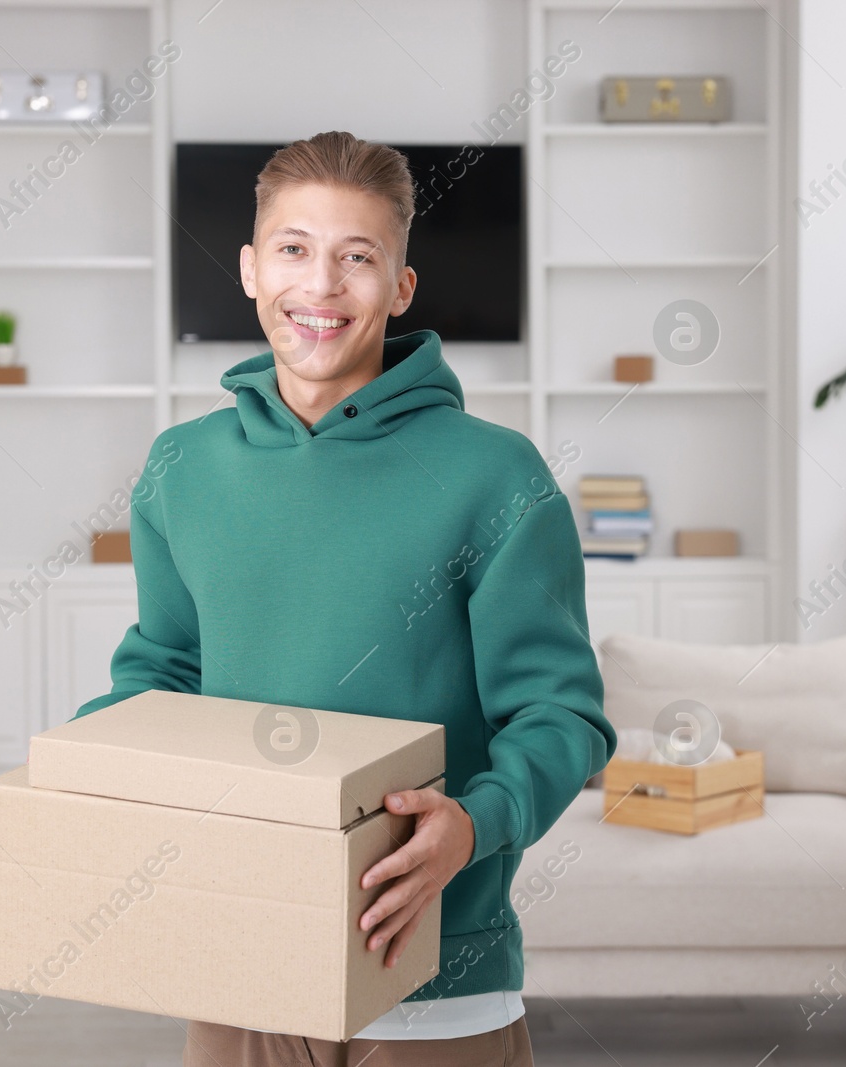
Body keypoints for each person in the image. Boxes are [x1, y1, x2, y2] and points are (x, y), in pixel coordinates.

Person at [74, 130, 616, 1067]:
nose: (320, 286)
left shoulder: (496, 476)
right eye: (293, 249)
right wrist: (91, 770)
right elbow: (163, 670)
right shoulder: (182, 467)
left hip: (431, 978)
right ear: (249, 270)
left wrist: (474, 825)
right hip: (239, 954)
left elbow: (560, 714)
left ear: (401, 286)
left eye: (356, 257)